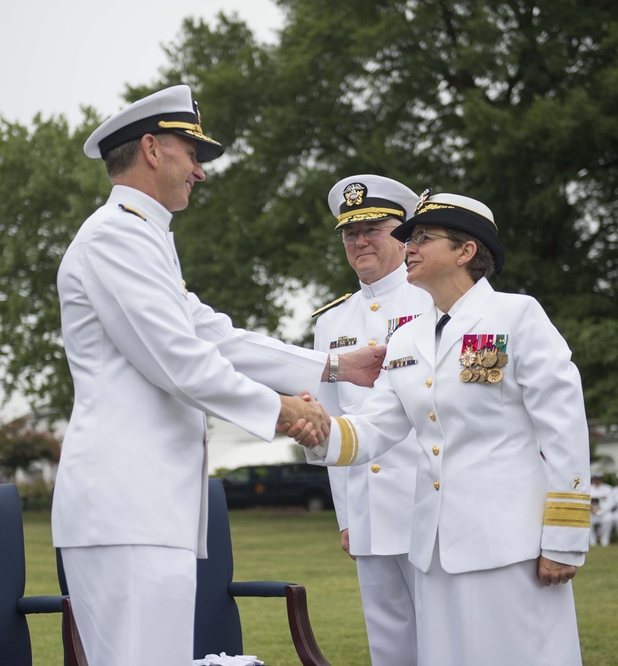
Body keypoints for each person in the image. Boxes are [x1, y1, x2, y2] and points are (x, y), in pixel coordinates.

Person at [52, 84, 383, 666]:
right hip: (127, 504)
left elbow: (215, 336)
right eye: (193, 154)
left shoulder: (145, 237)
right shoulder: (115, 237)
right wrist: (285, 411)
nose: (200, 173)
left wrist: (335, 365)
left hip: (149, 506)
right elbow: (178, 360)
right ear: (152, 149)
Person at [297, 191, 591, 664]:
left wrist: (564, 539)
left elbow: (565, 432)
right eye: (409, 238)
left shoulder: (517, 316)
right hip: (432, 548)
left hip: (509, 545)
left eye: (422, 238)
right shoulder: (407, 338)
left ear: (466, 250)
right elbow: (376, 425)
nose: (407, 247)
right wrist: (312, 427)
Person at [314, 175, 432, 666]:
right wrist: (346, 516)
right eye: (349, 232)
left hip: (428, 500)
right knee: (388, 643)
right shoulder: (330, 322)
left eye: (373, 229)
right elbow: (331, 421)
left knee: (443, 638)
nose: (359, 241)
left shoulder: (433, 299)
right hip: (366, 507)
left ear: (404, 234)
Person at [589, 471, 612, 546]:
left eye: (599, 479)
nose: (597, 481)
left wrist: (602, 510)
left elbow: (611, 502)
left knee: (608, 519)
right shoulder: (588, 488)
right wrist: (591, 508)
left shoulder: (608, 488)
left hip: (604, 512)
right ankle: (592, 540)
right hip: (591, 513)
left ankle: (604, 540)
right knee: (587, 519)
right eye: (595, 479)